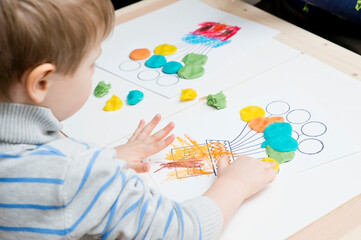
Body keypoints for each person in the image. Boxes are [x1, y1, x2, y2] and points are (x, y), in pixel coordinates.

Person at [0, 0, 277, 239]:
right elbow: (181, 232)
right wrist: (236, 184)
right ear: (41, 82)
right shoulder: (71, 175)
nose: (94, 71)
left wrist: (110, 157)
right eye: (92, 63)